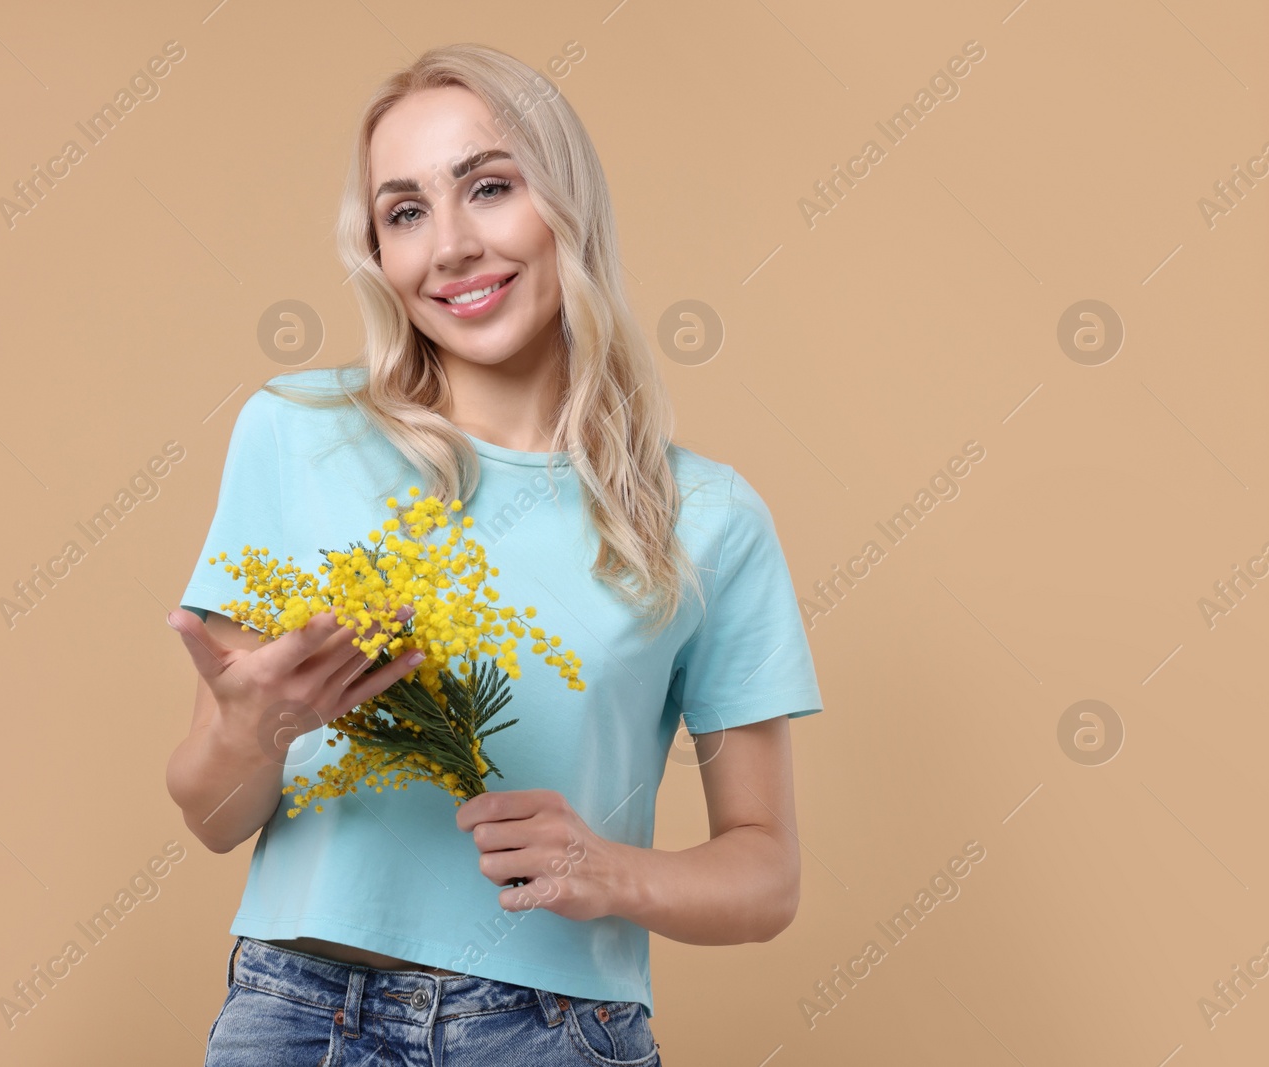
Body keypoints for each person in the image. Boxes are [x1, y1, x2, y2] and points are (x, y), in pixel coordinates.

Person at [164, 42, 824, 1067]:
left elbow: (767, 875)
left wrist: (609, 872)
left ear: (566, 202)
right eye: (406, 212)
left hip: (553, 1034)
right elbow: (213, 818)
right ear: (378, 253)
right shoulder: (294, 431)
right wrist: (254, 732)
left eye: (489, 187)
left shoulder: (706, 515)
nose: (452, 246)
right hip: (298, 1015)